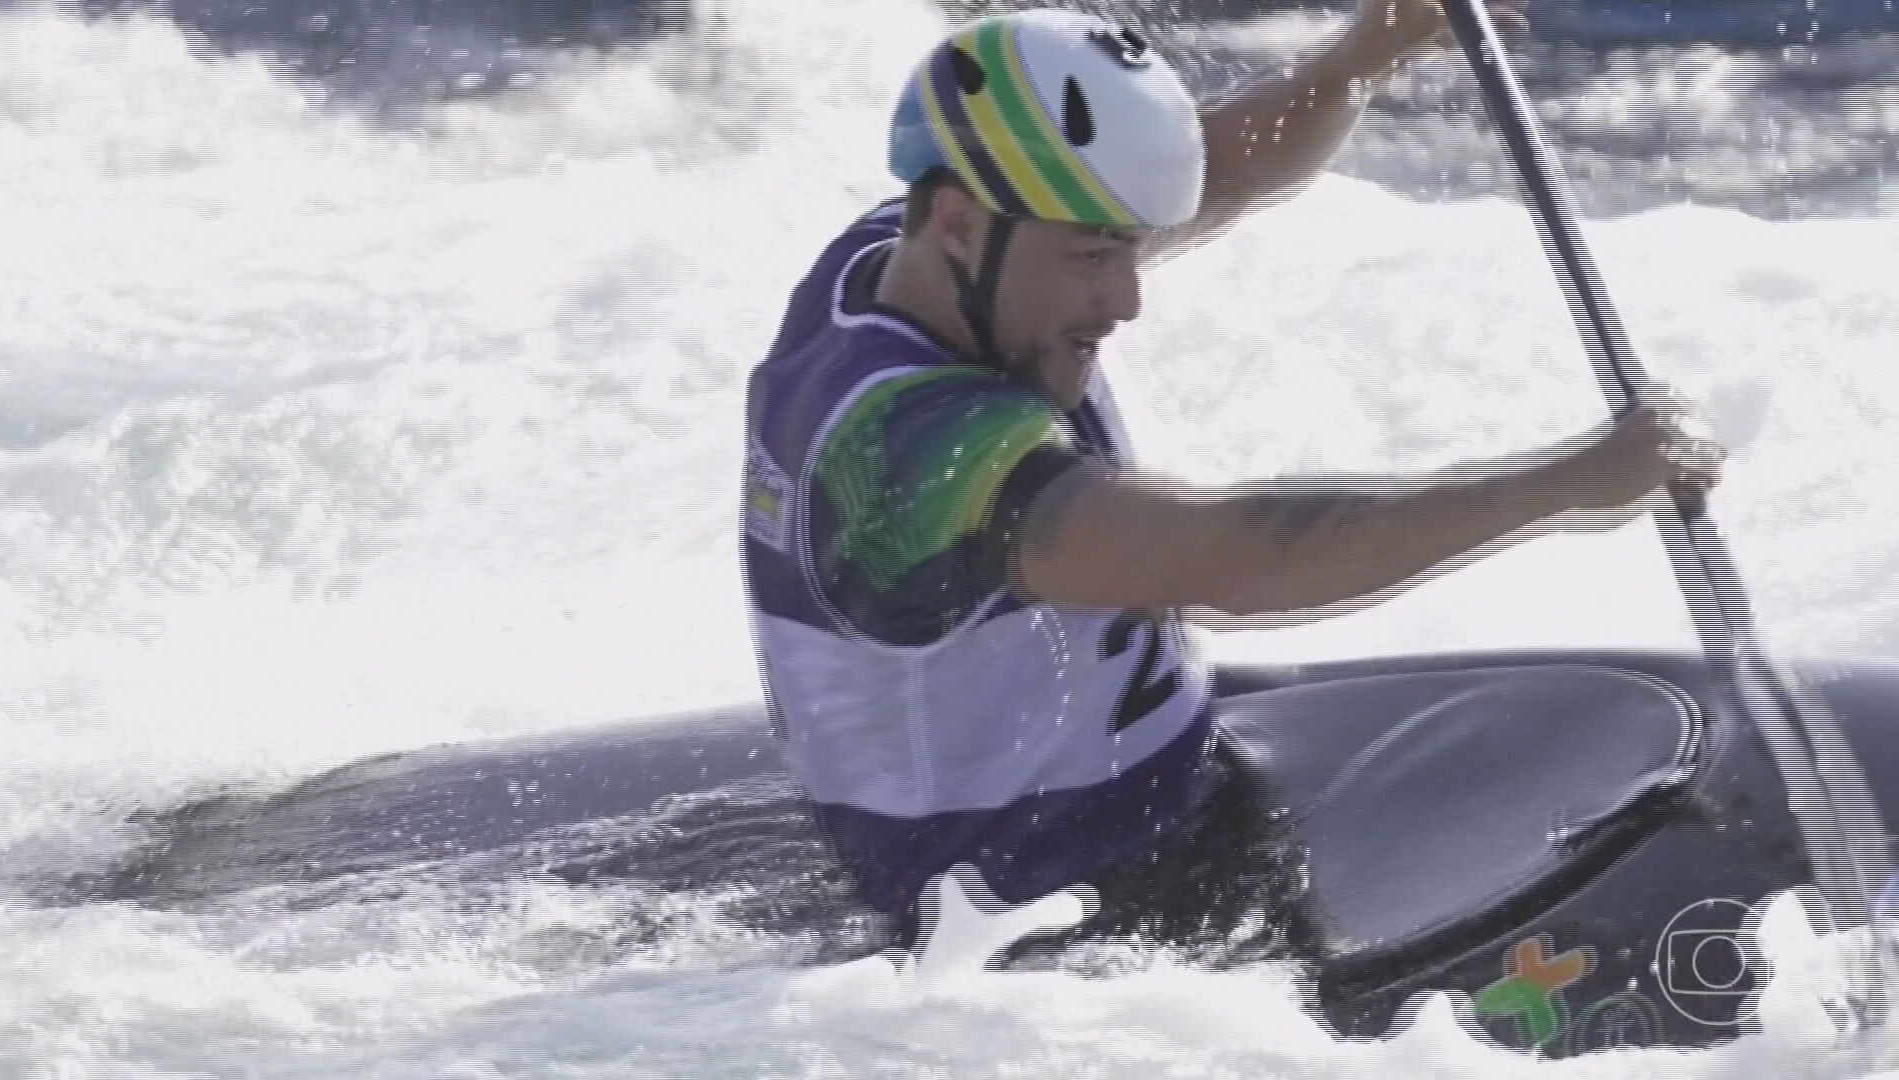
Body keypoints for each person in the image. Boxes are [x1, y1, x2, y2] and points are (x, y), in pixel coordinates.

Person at [738, 4, 1724, 955]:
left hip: (1131, 794)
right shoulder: (917, 465)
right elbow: (1242, 559)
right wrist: (1568, 485)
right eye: (1093, 256)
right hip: (1052, 915)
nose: (1123, 297)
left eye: (1129, 247)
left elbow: (1227, 168)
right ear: (955, 222)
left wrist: (1363, 55)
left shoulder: (905, 252)